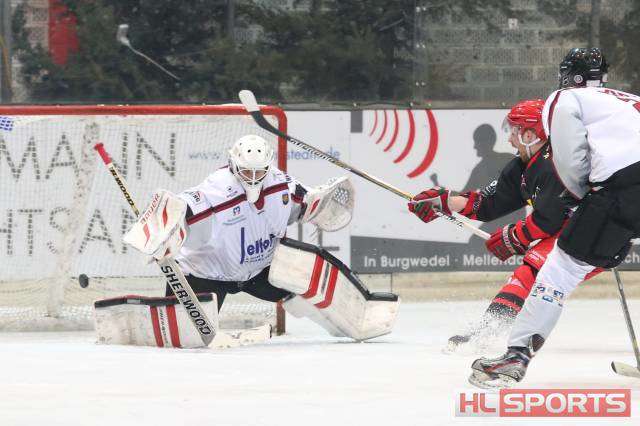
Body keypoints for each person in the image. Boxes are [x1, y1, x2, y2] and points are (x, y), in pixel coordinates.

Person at [470, 48, 640, 388]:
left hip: (623, 188)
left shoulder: (566, 99)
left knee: (558, 272)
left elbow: (570, 160)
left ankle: (515, 357)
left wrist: (584, 198)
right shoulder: (629, 99)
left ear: (568, 76)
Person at [121, 134, 399, 341]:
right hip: (206, 275)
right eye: (246, 171)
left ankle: (352, 325)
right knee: (186, 336)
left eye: (260, 171)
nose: (253, 177)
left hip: (260, 273)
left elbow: (306, 202)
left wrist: (320, 203)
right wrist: (162, 230)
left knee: (303, 298)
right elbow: (183, 208)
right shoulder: (216, 190)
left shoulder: (281, 184)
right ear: (233, 164)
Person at [408, 99, 597, 350]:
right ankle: (493, 330)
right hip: (578, 229)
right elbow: (490, 203)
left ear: (529, 134)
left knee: (535, 268)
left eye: (514, 131)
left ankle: (492, 333)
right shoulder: (523, 165)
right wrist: (446, 202)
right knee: (533, 271)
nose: (509, 139)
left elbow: (550, 219)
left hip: (597, 230)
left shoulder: (558, 163)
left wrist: (515, 236)